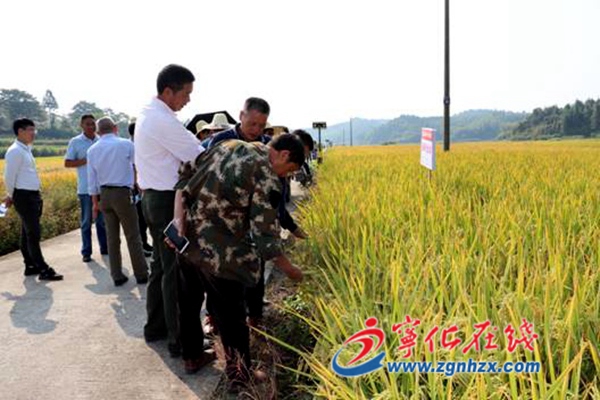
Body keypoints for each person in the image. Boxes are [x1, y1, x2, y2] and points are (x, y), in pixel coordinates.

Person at [173, 134, 304, 392]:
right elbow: (265, 236)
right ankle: (240, 376)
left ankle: (192, 357)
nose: (286, 176)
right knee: (231, 315)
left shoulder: (225, 145)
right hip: (222, 255)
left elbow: (184, 174)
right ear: (284, 155)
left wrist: (178, 221)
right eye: (290, 170)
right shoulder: (266, 175)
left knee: (188, 304)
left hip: (187, 242)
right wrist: (291, 270)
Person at [134, 64, 204, 357]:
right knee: (175, 271)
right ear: (168, 91)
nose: (188, 100)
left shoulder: (148, 114)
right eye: (185, 93)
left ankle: (157, 327)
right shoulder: (162, 120)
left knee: (161, 267)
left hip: (152, 198)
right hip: (167, 202)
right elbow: (198, 154)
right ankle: (180, 340)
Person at [87, 117, 149, 286]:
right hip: (123, 193)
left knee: (112, 238)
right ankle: (141, 273)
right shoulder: (126, 144)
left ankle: (116, 275)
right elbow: (138, 166)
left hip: (104, 194)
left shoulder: (92, 150)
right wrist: (140, 186)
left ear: (98, 131)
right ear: (115, 127)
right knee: (132, 235)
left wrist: (95, 203)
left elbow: (91, 180)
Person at [3, 118, 63, 281]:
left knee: (27, 231)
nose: (33, 133)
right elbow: (9, 176)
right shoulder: (15, 151)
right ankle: (43, 268)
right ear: (20, 131)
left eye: (34, 130)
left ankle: (30, 265)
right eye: (30, 130)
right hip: (24, 196)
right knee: (33, 233)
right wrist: (11, 195)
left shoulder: (25, 149)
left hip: (31, 195)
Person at [65, 114, 108, 262]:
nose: (91, 126)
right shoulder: (75, 142)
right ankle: (86, 252)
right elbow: (67, 163)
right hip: (85, 189)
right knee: (86, 222)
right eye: (87, 124)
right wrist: (86, 160)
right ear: (81, 125)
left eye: (93, 124)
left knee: (102, 222)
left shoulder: (101, 140)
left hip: (102, 188)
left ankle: (105, 248)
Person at [127, 122, 153, 258]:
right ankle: (142, 245)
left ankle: (145, 243)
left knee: (143, 218)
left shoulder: (135, 144)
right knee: (139, 220)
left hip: (140, 185)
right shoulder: (131, 146)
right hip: (136, 187)